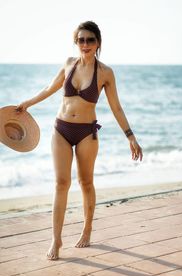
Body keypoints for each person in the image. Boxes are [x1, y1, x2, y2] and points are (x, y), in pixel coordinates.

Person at [16, 21, 143, 260]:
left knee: (86, 183)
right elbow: (49, 88)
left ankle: (87, 229)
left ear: (98, 43)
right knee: (61, 184)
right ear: (76, 42)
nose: (85, 44)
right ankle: (56, 239)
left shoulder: (105, 72)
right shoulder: (68, 64)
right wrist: (27, 103)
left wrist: (130, 136)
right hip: (61, 129)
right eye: (81, 40)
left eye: (90, 40)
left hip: (86, 132)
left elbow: (116, 106)